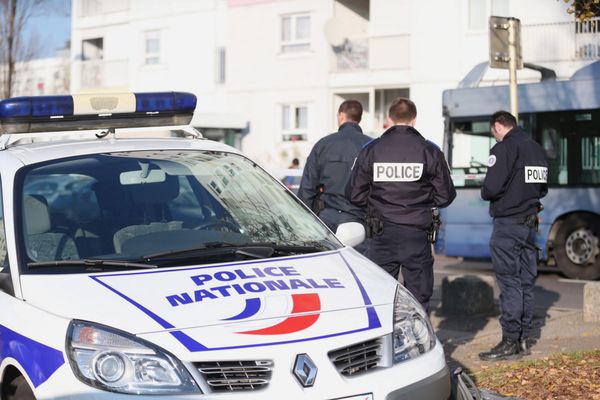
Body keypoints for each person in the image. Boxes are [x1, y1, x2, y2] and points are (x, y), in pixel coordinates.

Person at [346, 97, 456, 313]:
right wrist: (422, 200)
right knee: (418, 298)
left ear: (389, 119)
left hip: (381, 235)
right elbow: (446, 196)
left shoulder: (372, 150)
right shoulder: (429, 151)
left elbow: (354, 195)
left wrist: (376, 202)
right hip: (417, 235)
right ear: (414, 120)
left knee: (380, 297)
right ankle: (417, 343)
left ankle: (387, 345)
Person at [479, 111, 548, 361]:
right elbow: (543, 189)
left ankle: (509, 340)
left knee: (509, 282)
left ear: (498, 125)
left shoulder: (504, 149)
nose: (494, 136)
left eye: (493, 131)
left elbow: (492, 188)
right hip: (530, 225)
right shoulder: (537, 149)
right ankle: (523, 339)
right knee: (526, 282)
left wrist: (484, 189)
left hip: (508, 225)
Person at [298, 99, 371, 232]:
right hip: (358, 219)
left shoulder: (323, 144)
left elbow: (307, 188)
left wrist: (302, 222)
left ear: (341, 116)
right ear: (359, 118)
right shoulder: (370, 146)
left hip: (326, 218)